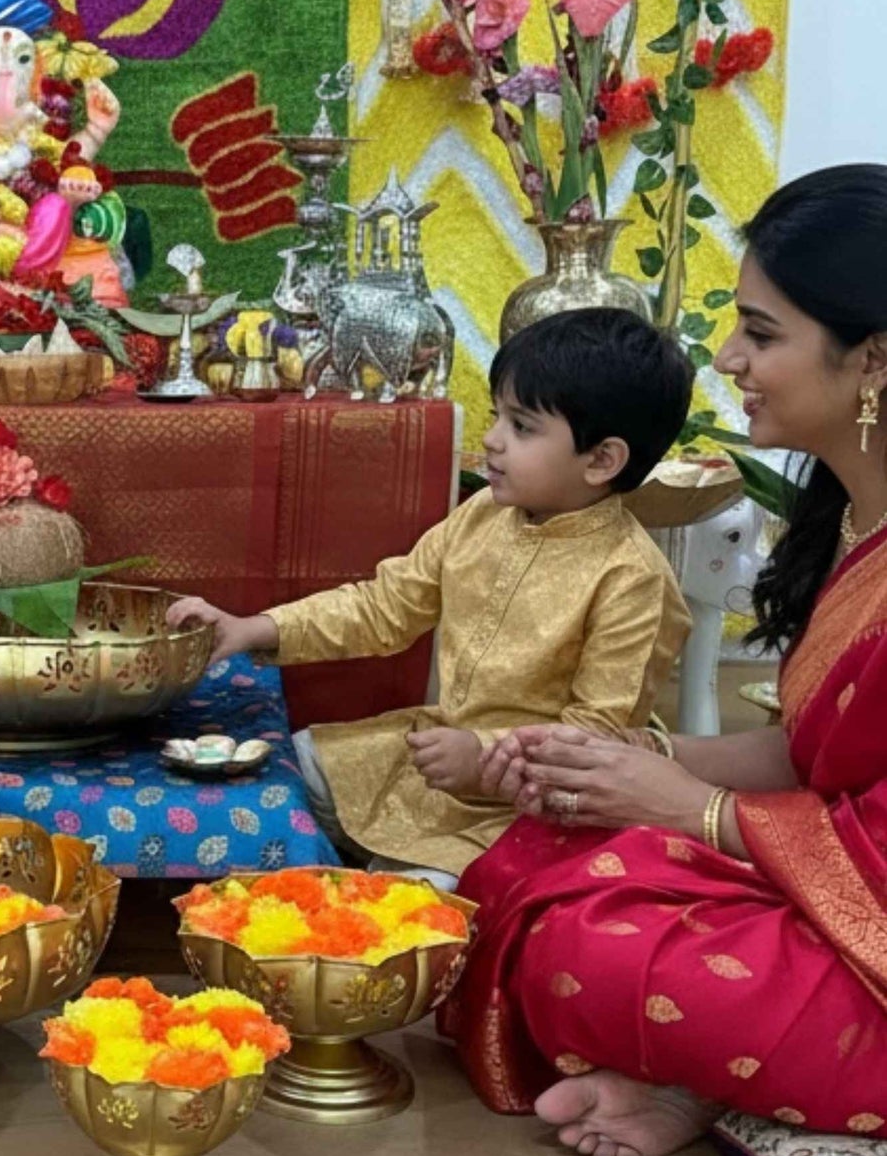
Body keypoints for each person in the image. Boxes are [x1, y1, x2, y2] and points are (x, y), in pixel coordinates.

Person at [445, 164, 887, 1156]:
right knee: (531, 853)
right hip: (829, 886)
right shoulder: (856, 513)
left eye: (760, 334)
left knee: (585, 950)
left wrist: (683, 807)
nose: (727, 357)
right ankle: (700, 1076)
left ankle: (700, 1063)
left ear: (869, 360)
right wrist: (620, 762)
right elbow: (817, 755)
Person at [167, 309, 693, 884]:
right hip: (431, 754)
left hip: (527, 810)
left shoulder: (633, 578)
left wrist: (483, 754)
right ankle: (365, 871)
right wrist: (252, 628)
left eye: (522, 427)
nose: (492, 440)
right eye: (498, 417)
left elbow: (596, 737)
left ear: (602, 460)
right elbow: (383, 608)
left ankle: (392, 879)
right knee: (287, 766)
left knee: (416, 908)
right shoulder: (482, 515)